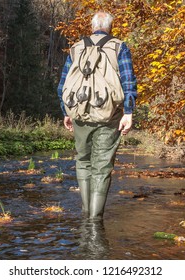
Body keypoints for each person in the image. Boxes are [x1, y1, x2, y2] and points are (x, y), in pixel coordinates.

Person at [57, 11, 137, 220]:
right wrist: (128, 112)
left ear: (92, 27)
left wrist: (66, 111)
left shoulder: (76, 48)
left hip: (79, 113)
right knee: (102, 166)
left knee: (83, 160)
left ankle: (85, 213)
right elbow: (128, 82)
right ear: (110, 27)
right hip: (109, 115)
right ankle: (95, 219)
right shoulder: (119, 46)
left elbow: (63, 84)